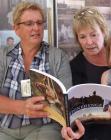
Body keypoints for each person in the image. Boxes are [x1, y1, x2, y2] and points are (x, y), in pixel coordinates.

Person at [0, 1, 72, 140]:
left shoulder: (58, 56)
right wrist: (22, 107)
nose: (36, 28)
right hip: (6, 127)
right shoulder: (3, 56)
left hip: (45, 127)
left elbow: (66, 103)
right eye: (29, 23)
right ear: (16, 29)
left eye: (40, 23)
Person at [62, 7, 111, 140]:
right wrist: (71, 131)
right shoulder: (74, 67)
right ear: (77, 39)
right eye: (82, 37)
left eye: (93, 35)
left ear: (104, 32)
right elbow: (73, 113)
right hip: (91, 133)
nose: (88, 42)